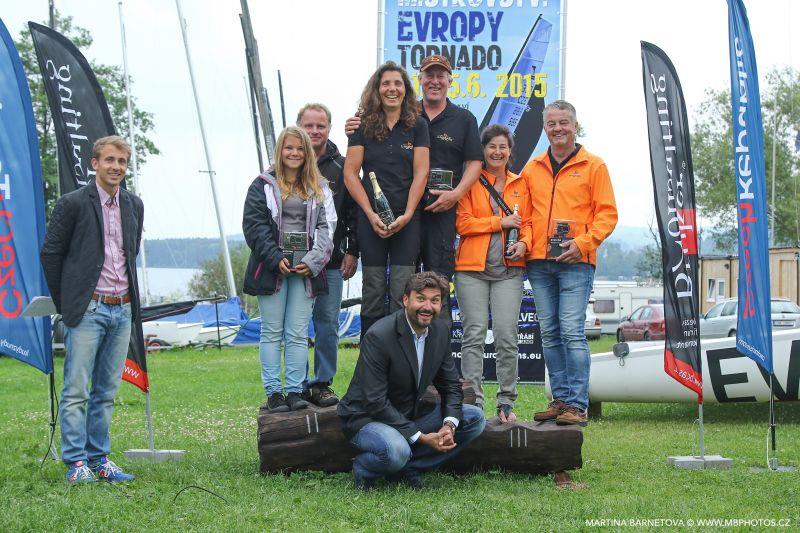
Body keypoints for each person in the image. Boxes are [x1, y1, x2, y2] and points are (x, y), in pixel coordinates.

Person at [347, 55, 483, 326]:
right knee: (391, 287)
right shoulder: (404, 116)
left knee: (436, 287)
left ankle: (435, 362)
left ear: (449, 80)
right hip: (399, 215)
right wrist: (352, 127)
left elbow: (475, 163)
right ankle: (385, 359)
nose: (435, 81)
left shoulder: (463, 119)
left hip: (438, 216)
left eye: (440, 76)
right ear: (419, 79)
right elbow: (353, 167)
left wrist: (455, 194)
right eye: (429, 76)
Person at [40, 135, 143, 484]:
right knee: (76, 390)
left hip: (122, 308)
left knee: (107, 391)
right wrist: (69, 301)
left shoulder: (134, 204)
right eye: (110, 160)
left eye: (122, 162)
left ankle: (99, 459)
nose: (116, 167)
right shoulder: (72, 204)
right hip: (88, 309)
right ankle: (75, 464)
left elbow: (131, 249)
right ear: (94, 163)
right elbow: (51, 255)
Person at [337, 272, 486, 490]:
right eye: (421, 299)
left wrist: (448, 426)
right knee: (397, 450)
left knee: (475, 418)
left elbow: (451, 386)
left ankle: (409, 467)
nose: (427, 306)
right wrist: (422, 438)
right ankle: (364, 468)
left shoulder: (440, 332)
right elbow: (375, 401)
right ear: (405, 300)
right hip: (366, 418)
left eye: (435, 300)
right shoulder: (379, 335)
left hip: (408, 414)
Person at [522, 100, 617, 427]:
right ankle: (559, 400)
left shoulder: (594, 166)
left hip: (577, 263)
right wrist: (525, 243)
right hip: (539, 263)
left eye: (564, 122)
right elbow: (525, 216)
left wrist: (583, 244)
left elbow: (607, 215)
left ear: (575, 126)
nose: (558, 129)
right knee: (549, 334)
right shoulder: (532, 168)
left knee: (572, 333)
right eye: (552, 124)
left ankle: (577, 405)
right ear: (545, 128)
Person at [242, 126, 335, 413]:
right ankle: (274, 392)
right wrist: (274, 258)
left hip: (306, 272)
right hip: (273, 269)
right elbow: (254, 226)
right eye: (288, 148)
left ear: (307, 153)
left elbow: (327, 227)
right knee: (271, 332)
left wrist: (313, 261)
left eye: (299, 148)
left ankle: (295, 390)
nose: (294, 153)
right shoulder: (262, 185)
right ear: (280, 151)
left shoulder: (320, 188)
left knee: (297, 333)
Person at [343, 61, 430, 335]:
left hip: (407, 219)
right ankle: (371, 361)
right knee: (373, 289)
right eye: (386, 83)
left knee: (402, 290)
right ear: (377, 89)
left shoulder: (418, 124)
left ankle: (400, 361)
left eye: (397, 83)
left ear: (405, 89)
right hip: (371, 221)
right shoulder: (362, 125)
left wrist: (408, 214)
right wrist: (370, 214)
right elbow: (350, 174)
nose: (392, 89)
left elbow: (422, 173)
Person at [453, 124, 531, 422]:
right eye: (491, 146)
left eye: (503, 147)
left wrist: (524, 242)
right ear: (482, 150)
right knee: (473, 335)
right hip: (471, 270)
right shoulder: (470, 181)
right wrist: (500, 222)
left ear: (510, 151)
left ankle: (506, 403)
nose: (497, 152)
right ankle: (473, 403)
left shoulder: (521, 183)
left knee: (506, 336)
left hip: (509, 272)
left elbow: (531, 223)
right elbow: (464, 224)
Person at [296, 103, 359, 407]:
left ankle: (321, 383)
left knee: (326, 325)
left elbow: (354, 213)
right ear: (299, 126)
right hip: (293, 263)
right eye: (309, 126)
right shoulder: (288, 162)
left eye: (320, 126)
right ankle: (296, 383)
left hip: (332, 262)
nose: (314, 131)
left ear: (329, 128)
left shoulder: (342, 166)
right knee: (294, 326)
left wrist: (352, 251)